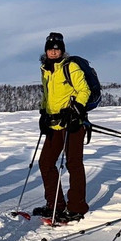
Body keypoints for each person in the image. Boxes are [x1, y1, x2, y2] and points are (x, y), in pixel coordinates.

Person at [35, 32, 91, 223]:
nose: (53, 51)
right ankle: (55, 205)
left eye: (57, 48)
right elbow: (47, 94)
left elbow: (84, 90)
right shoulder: (45, 69)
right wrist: (44, 112)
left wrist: (76, 109)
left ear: (62, 50)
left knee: (73, 163)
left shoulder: (70, 66)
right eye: (50, 48)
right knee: (45, 162)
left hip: (73, 123)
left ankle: (76, 207)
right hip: (53, 124)